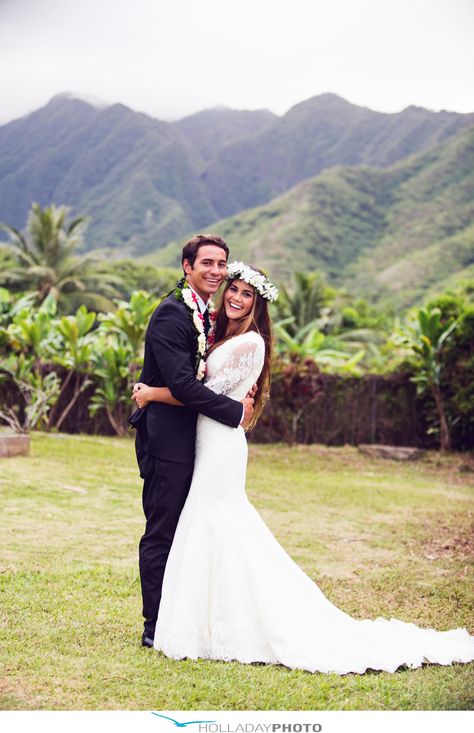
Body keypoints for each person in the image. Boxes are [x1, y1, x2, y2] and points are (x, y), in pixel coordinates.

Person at [133, 262, 474, 674]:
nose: (237, 298)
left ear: (259, 305)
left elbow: (197, 394)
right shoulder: (219, 334)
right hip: (204, 439)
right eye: (234, 290)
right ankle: (197, 618)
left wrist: (151, 392)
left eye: (247, 294)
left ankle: (227, 622)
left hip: (220, 443)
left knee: (220, 524)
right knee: (206, 526)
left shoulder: (250, 344)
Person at [130, 235, 255, 649]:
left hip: (195, 440)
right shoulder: (171, 315)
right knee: (163, 530)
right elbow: (183, 384)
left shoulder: (203, 313)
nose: (216, 271)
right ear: (187, 266)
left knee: (191, 529)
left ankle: (185, 615)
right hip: (167, 440)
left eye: (222, 264)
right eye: (207, 263)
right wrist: (234, 412)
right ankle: (155, 623)